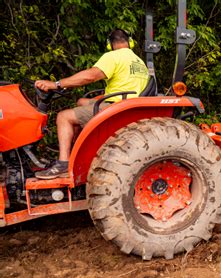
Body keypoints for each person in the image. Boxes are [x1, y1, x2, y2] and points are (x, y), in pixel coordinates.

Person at [34, 29, 148, 179]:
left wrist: (57, 84)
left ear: (109, 44)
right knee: (81, 102)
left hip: (116, 106)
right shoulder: (139, 62)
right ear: (130, 42)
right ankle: (76, 154)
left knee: (63, 116)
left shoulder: (113, 56)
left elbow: (90, 76)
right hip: (127, 103)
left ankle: (63, 163)